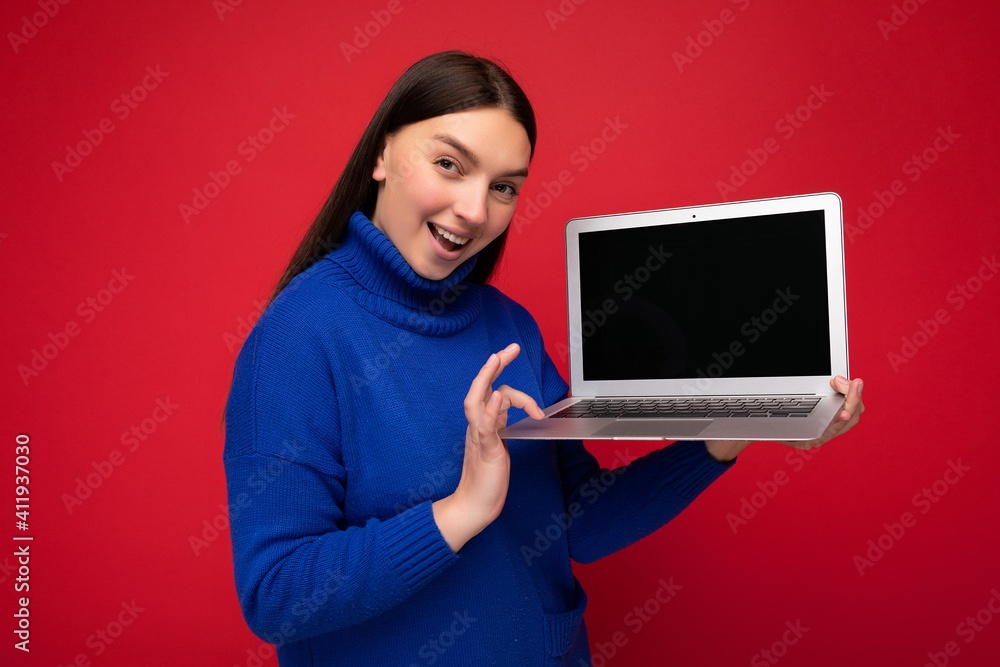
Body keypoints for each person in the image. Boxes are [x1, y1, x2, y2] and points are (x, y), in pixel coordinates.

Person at [223, 50, 864, 666]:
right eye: (449, 164)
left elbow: (578, 525)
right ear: (382, 154)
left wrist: (734, 431)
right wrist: (462, 509)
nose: (475, 211)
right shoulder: (296, 338)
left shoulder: (509, 326)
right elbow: (277, 594)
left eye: (503, 186)